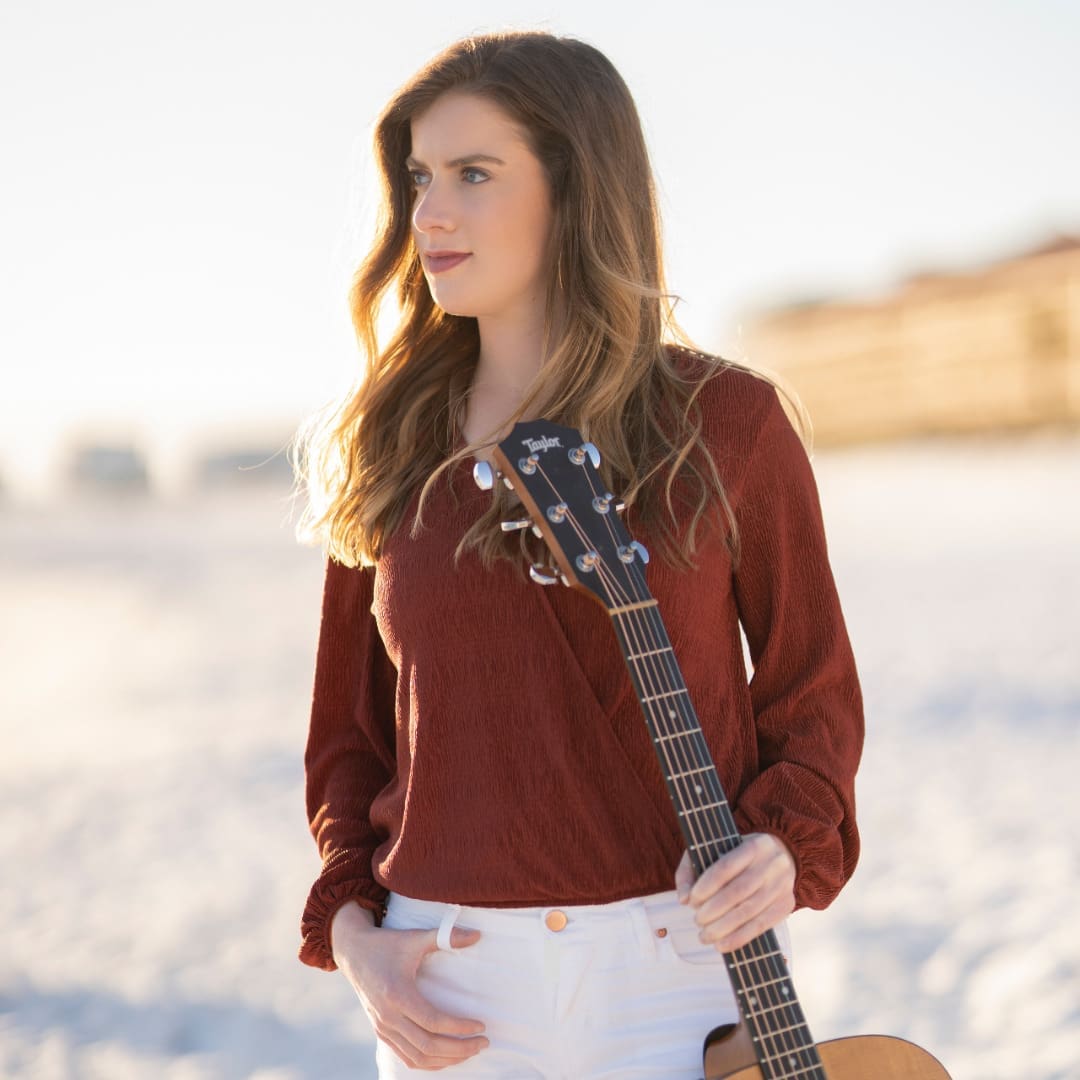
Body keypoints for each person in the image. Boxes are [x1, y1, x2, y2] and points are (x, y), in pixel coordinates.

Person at [293, 30, 863, 1079]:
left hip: (678, 976)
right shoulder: (391, 443)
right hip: (444, 991)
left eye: (474, 173)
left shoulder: (725, 423)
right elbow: (348, 743)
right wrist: (358, 940)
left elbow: (813, 697)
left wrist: (784, 851)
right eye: (420, 176)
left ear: (575, 186)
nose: (430, 212)